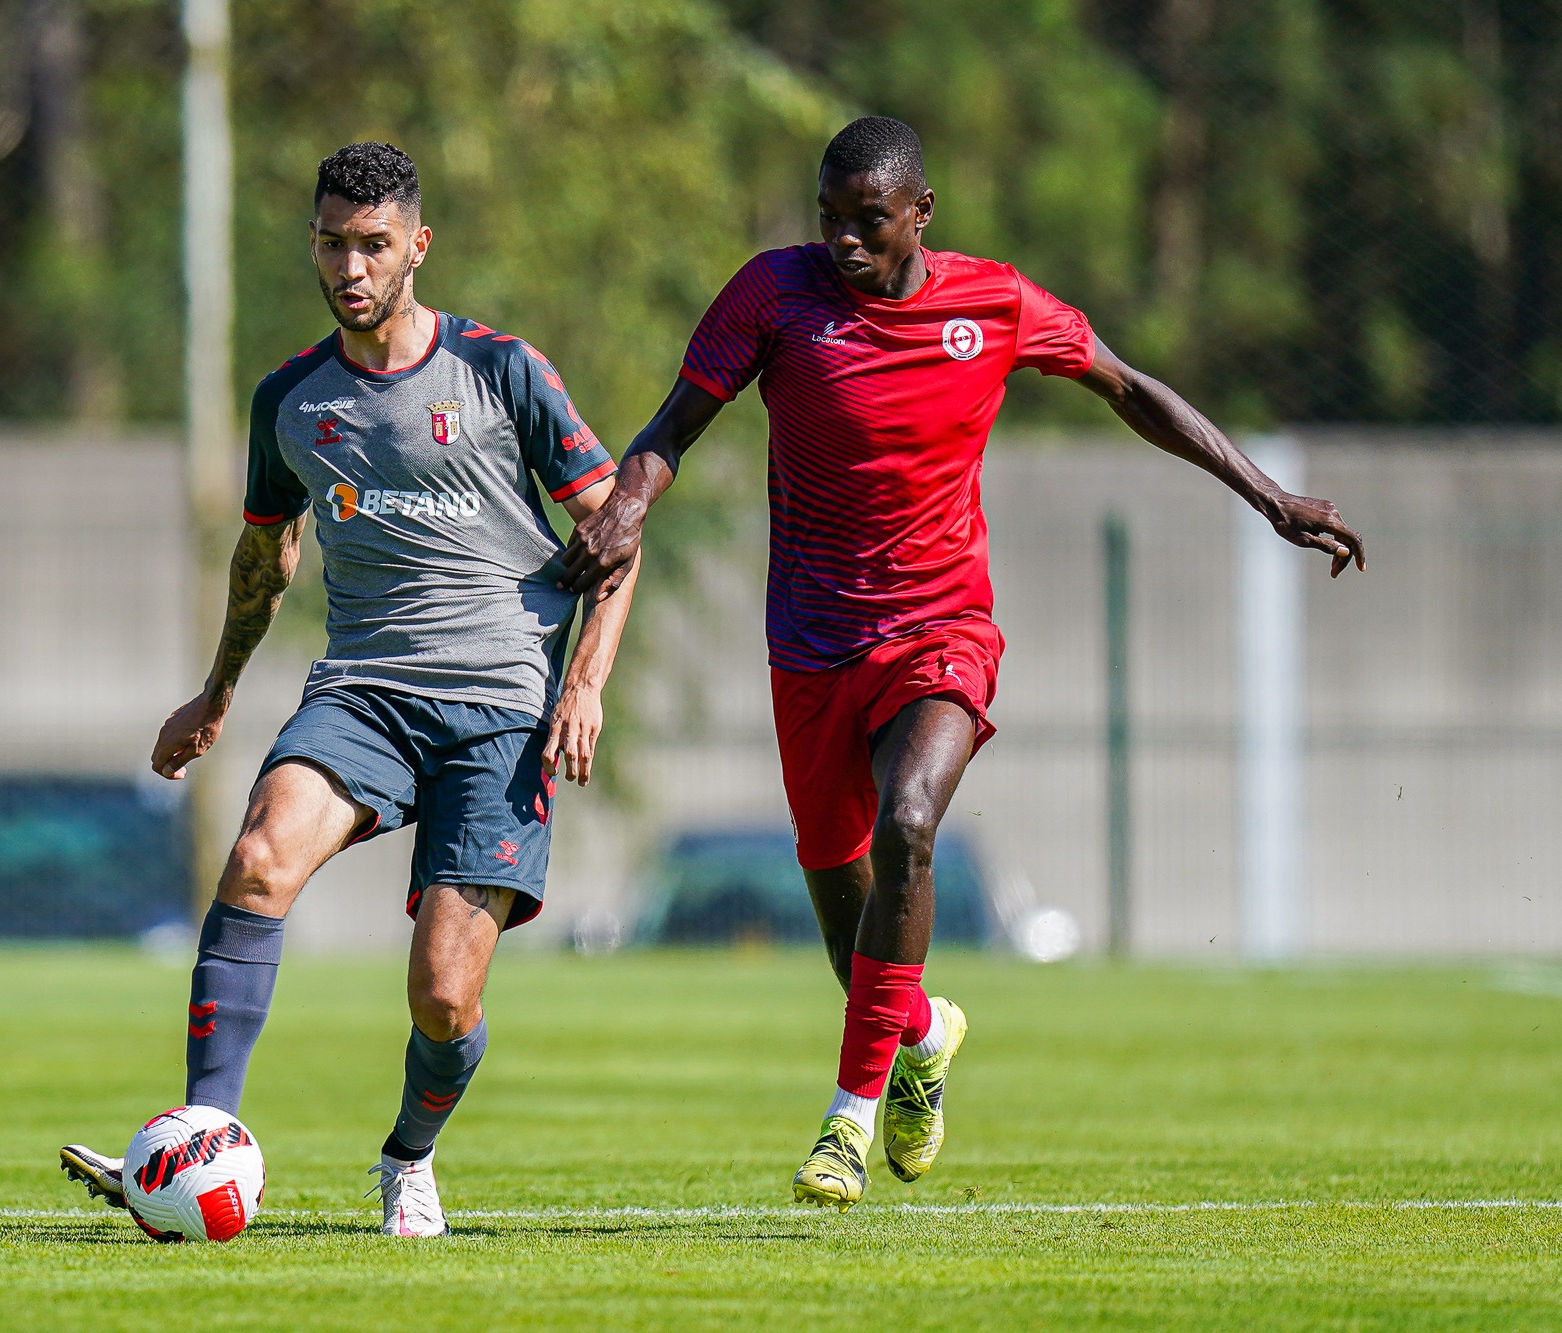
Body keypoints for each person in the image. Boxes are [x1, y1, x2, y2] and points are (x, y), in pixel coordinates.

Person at [560, 116, 1364, 1209]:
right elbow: (672, 425)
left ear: (920, 214)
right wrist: (628, 505)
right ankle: (924, 1032)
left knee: (909, 822)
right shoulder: (772, 295)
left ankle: (846, 1124)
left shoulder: (993, 304)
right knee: (851, 934)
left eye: (868, 221)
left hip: (941, 629)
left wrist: (1267, 496)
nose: (844, 241)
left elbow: (1127, 388)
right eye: (829, 218)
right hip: (810, 645)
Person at [61, 141, 632, 1237]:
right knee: (257, 857)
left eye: (373, 244)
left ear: (418, 246)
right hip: (364, 693)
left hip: (503, 707)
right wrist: (216, 692)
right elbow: (265, 557)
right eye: (331, 243)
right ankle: (200, 1132)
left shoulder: (503, 369)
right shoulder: (289, 399)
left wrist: (586, 683)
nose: (350, 266)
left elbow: (616, 534)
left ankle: (408, 1156)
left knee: (444, 997)